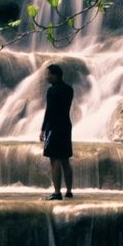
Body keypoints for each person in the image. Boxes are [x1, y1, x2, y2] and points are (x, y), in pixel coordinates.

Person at [40, 64, 74, 200]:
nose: (46, 77)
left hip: (53, 127)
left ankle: (57, 192)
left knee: (54, 159)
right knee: (65, 159)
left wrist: (43, 129)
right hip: (66, 125)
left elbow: (49, 111)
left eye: (48, 74)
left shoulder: (52, 90)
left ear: (55, 75)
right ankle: (69, 191)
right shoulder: (69, 89)